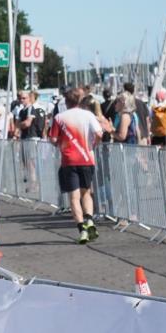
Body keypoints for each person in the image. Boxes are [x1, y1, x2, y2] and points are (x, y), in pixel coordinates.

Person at [48, 87, 112, 244]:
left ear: (66, 102)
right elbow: (99, 133)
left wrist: (60, 145)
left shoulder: (60, 117)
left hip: (69, 161)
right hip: (87, 159)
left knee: (74, 198)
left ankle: (82, 229)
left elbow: (53, 138)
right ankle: (89, 220)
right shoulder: (88, 115)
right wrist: (92, 145)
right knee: (86, 193)